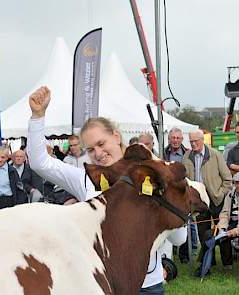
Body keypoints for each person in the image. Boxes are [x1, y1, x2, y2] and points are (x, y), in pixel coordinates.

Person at [27, 86, 187, 294]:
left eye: (102, 144)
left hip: (147, 285)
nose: (98, 153)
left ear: (117, 136)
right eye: (91, 149)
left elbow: (179, 237)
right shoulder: (85, 179)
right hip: (100, 285)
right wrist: (37, 116)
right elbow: (40, 163)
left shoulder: (152, 175)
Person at [183, 129, 232, 276]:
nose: (193, 144)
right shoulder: (187, 156)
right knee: (203, 233)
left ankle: (227, 263)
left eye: (196, 141)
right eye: (191, 141)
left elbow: (228, 179)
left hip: (216, 198)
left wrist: (220, 193)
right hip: (199, 202)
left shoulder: (215, 155)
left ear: (202, 140)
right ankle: (208, 264)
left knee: (222, 231)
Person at [164, 128, 196, 263]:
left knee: (189, 222)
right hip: (169, 193)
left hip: (184, 192)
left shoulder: (188, 154)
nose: (175, 140)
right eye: (173, 138)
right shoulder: (164, 153)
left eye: (178, 138)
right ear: (169, 139)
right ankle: (170, 251)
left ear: (182, 140)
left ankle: (188, 252)